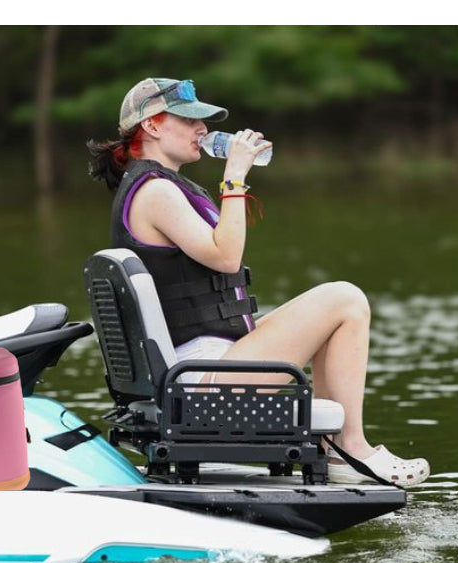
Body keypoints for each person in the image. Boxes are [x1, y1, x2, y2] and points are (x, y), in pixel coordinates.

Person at [88, 78, 430, 487]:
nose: (203, 129)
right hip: (201, 383)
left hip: (202, 370)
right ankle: (349, 447)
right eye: (190, 120)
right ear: (152, 126)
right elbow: (226, 256)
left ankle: (338, 448)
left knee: (337, 311)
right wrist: (234, 178)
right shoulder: (156, 191)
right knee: (345, 300)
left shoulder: (158, 186)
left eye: (202, 121)